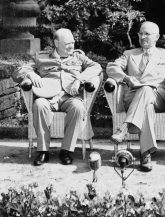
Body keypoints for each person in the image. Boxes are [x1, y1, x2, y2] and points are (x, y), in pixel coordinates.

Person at [106, 21, 165, 172]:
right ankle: (145, 154)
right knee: (147, 105)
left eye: (147, 34)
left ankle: (125, 128)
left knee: (147, 90)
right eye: (140, 34)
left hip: (159, 97)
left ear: (157, 37)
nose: (143, 37)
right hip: (133, 98)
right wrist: (126, 78)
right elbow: (111, 67)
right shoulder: (129, 54)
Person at [13, 28, 102, 166]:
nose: (71, 46)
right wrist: (31, 74)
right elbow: (17, 73)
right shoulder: (41, 57)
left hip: (70, 96)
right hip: (47, 97)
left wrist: (79, 79)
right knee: (39, 105)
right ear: (56, 42)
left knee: (78, 107)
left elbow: (96, 67)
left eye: (72, 42)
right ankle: (43, 151)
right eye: (67, 44)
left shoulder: (78, 57)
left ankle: (66, 150)